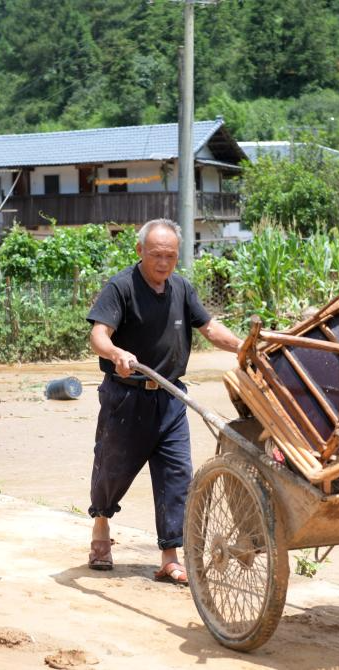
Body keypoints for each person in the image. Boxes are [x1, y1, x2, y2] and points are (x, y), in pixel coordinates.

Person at [86, 218, 242, 584]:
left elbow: (209, 328)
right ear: (140, 251)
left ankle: (169, 557)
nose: (163, 262)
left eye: (171, 256)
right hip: (126, 398)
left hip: (170, 398)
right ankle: (101, 529)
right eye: (156, 254)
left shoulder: (182, 289)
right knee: (112, 469)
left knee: (177, 476)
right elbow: (98, 334)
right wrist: (115, 353)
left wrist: (242, 345)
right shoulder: (121, 287)